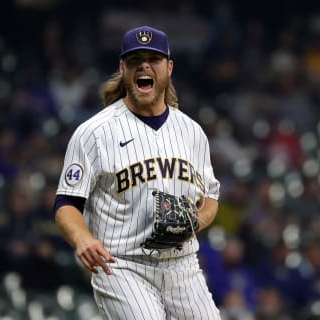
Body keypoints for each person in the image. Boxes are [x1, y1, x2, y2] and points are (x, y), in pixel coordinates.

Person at [54, 25, 221, 319]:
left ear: (169, 68)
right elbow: (67, 203)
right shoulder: (94, 133)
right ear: (123, 68)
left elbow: (210, 197)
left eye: (153, 59)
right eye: (135, 59)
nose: (144, 64)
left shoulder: (192, 132)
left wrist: (196, 220)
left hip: (183, 267)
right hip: (123, 265)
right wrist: (83, 239)